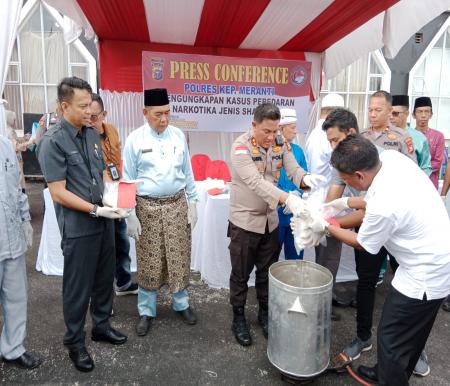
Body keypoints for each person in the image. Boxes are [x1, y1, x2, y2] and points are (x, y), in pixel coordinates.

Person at [318, 135, 450, 386]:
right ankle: (386, 373)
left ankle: (391, 378)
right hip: (434, 254)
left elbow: (362, 243)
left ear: (359, 175)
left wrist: (325, 224)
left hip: (425, 273)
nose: (346, 185)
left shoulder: (384, 205)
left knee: (391, 340)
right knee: (409, 336)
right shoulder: (390, 159)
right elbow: (370, 199)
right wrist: (343, 202)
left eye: (346, 181)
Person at [37, 77, 128, 373]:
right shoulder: (52, 141)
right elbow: (58, 191)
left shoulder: (91, 133)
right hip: (79, 227)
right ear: (64, 106)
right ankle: (74, 341)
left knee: (104, 279)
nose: (90, 110)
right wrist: (96, 210)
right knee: (77, 288)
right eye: (83, 105)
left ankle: (101, 326)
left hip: (103, 222)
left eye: (90, 103)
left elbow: (101, 172)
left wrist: (114, 199)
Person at [228, 102, 326, 346]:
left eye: (275, 131)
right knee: (241, 274)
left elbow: (292, 168)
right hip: (245, 222)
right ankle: (238, 317)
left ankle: (264, 313)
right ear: (254, 125)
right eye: (266, 132)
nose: (272, 137)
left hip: (270, 222)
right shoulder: (240, 148)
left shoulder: (280, 142)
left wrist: (305, 179)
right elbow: (256, 183)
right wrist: (287, 198)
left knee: (266, 272)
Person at [123, 88, 199, 337]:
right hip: (147, 208)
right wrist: (129, 213)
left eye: (167, 113)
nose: (164, 119)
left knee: (179, 256)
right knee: (149, 259)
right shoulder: (135, 139)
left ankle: (181, 304)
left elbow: (187, 172)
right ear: (145, 113)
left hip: (177, 205)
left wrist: (193, 202)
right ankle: (146, 310)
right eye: (158, 114)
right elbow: (127, 180)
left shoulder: (178, 135)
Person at [90, 93, 138, 296]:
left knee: (122, 241)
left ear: (104, 114)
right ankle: (102, 296)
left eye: (94, 116)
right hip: (99, 197)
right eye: (87, 115)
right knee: (103, 249)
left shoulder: (111, 130)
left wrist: (125, 195)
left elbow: (118, 161)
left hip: (118, 191)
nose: (90, 120)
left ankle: (124, 282)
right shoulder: (84, 136)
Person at [0, 134, 41, 370]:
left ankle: (13, 348)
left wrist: (25, 218)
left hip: (12, 237)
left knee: (16, 297)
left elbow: (17, 187)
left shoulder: (5, 144)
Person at [305, 93, 347, 316]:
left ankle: (323, 296)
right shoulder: (328, 136)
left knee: (322, 253)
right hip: (328, 200)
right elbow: (337, 173)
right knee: (329, 255)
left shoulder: (315, 133)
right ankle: (323, 302)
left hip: (318, 199)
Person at [277, 108, 308, 260]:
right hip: (276, 211)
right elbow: (264, 180)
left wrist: (298, 194)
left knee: (295, 256)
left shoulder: (298, 151)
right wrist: (284, 197)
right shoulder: (269, 151)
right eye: (293, 128)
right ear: (281, 128)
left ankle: (294, 283)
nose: (296, 132)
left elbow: (304, 178)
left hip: (295, 212)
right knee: (270, 255)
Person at [305, 93, 345, 194]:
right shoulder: (329, 135)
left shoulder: (314, 133)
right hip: (327, 195)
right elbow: (339, 170)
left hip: (314, 193)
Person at [361, 90, 416, 162]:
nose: (373, 115)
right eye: (370, 110)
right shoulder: (361, 136)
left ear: (390, 111)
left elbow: (411, 166)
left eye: (378, 110)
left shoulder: (402, 136)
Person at [391, 95, 431, 176]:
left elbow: (425, 167)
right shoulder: (380, 135)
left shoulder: (419, 138)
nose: (391, 117)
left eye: (395, 113)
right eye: (389, 113)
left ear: (406, 114)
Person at [412, 96, 445, 189]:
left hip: (430, 183)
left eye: (427, 111)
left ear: (431, 114)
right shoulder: (407, 135)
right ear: (413, 115)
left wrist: (417, 171)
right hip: (410, 181)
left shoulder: (438, 136)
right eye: (420, 111)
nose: (423, 115)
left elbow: (437, 163)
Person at [5, 110, 34, 191]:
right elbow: (16, 146)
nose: (15, 122)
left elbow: (15, 140)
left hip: (13, 160)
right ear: (10, 120)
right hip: (15, 161)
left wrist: (24, 138)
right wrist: (30, 142)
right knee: (19, 183)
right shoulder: (10, 131)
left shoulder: (8, 129)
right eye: (14, 120)